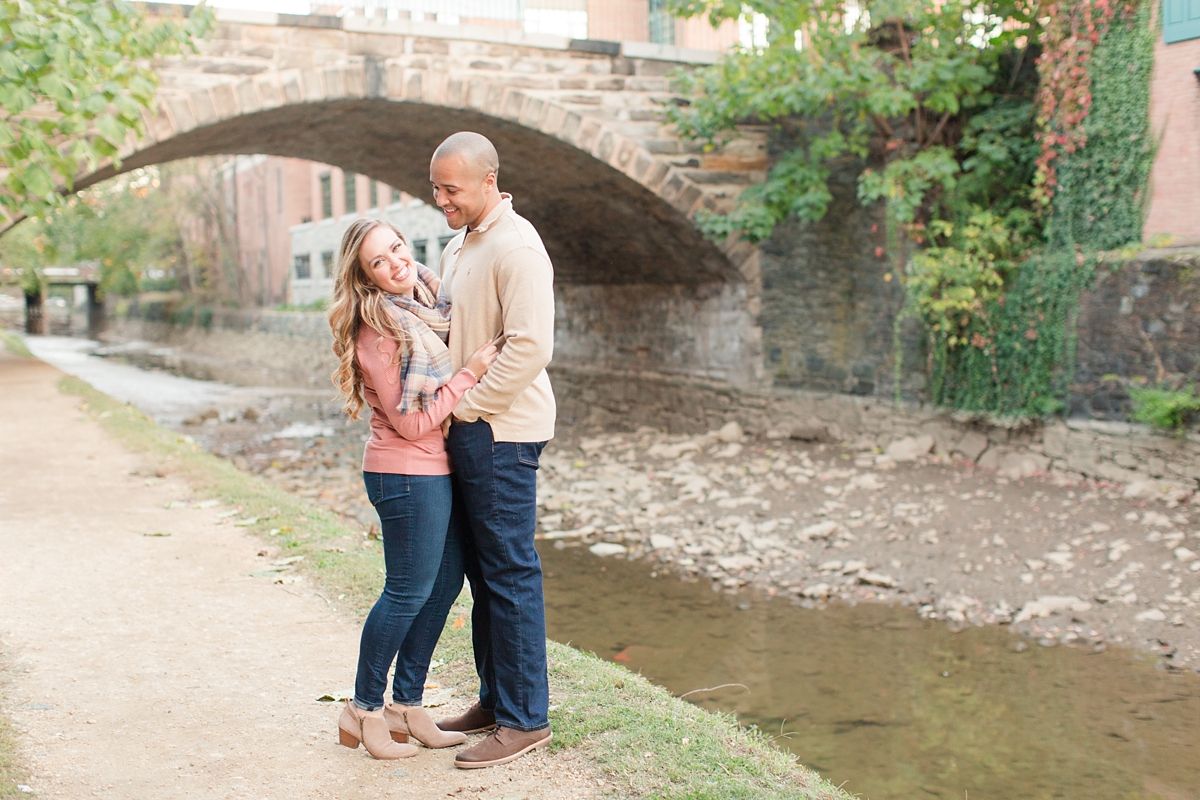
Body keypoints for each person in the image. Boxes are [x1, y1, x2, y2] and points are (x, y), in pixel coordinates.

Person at [326, 217, 498, 760]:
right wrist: (468, 374)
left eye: (397, 248)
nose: (397, 262)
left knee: (444, 584)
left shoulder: (423, 303)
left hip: (431, 470)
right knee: (404, 592)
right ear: (366, 277)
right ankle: (362, 708)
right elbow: (411, 422)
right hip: (403, 471)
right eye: (380, 260)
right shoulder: (379, 327)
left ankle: (406, 704)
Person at [428, 132, 557, 769]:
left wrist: (472, 408)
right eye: (435, 188)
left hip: (501, 431)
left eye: (450, 188)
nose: (440, 199)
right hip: (467, 427)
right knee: (482, 575)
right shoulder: (459, 246)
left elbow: (531, 347)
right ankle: (494, 698)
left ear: (488, 181)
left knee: (508, 572)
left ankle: (526, 718)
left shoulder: (518, 245)